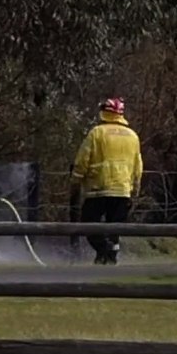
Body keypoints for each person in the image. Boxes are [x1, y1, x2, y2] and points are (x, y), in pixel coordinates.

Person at [70, 97, 143, 265]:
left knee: (88, 224)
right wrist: (135, 188)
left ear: (104, 112)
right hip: (122, 189)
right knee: (115, 228)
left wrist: (76, 180)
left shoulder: (97, 133)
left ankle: (103, 250)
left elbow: (82, 160)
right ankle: (111, 259)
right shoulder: (133, 136)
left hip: (98, 187)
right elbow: (138, 165)